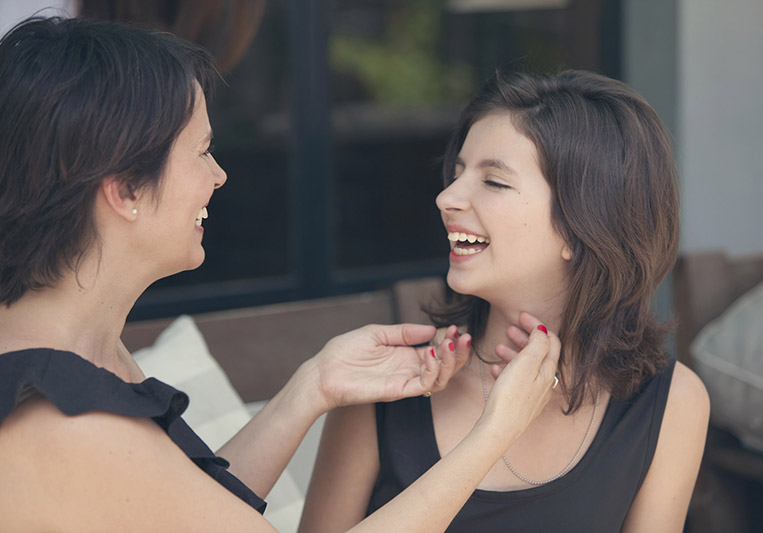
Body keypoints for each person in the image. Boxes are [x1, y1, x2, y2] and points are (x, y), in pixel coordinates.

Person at [0, 17, 563, 532]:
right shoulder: (57, 413)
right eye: (201, 152)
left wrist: (313, 386)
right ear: (124, 190)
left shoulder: (83, 354)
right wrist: (493, 434)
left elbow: (187, 512)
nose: (218, 176)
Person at [300, 70, 711, 532]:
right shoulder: (387, 389)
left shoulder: (670, 402)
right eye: (456, 173)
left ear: (582, 227)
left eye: (493, 182)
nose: (446, 197)